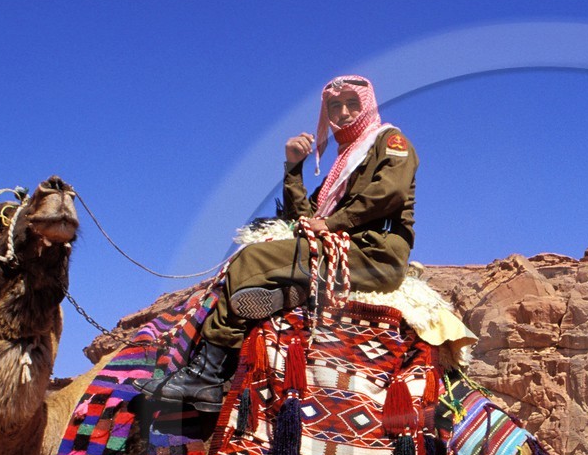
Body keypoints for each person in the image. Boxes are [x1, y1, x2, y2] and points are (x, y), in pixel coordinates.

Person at [159, 75, 418, 409]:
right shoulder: (341, 165)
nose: (343, 113)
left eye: (352, 103)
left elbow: (389, 193)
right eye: (334, 107)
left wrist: (332, 222)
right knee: (248, 260)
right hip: (338, 248)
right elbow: (302, 218)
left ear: (367, 105)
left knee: (251, 260)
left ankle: (208, 375)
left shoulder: (390, 141)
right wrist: (294, 167)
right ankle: (278, 299)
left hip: (373, 255)